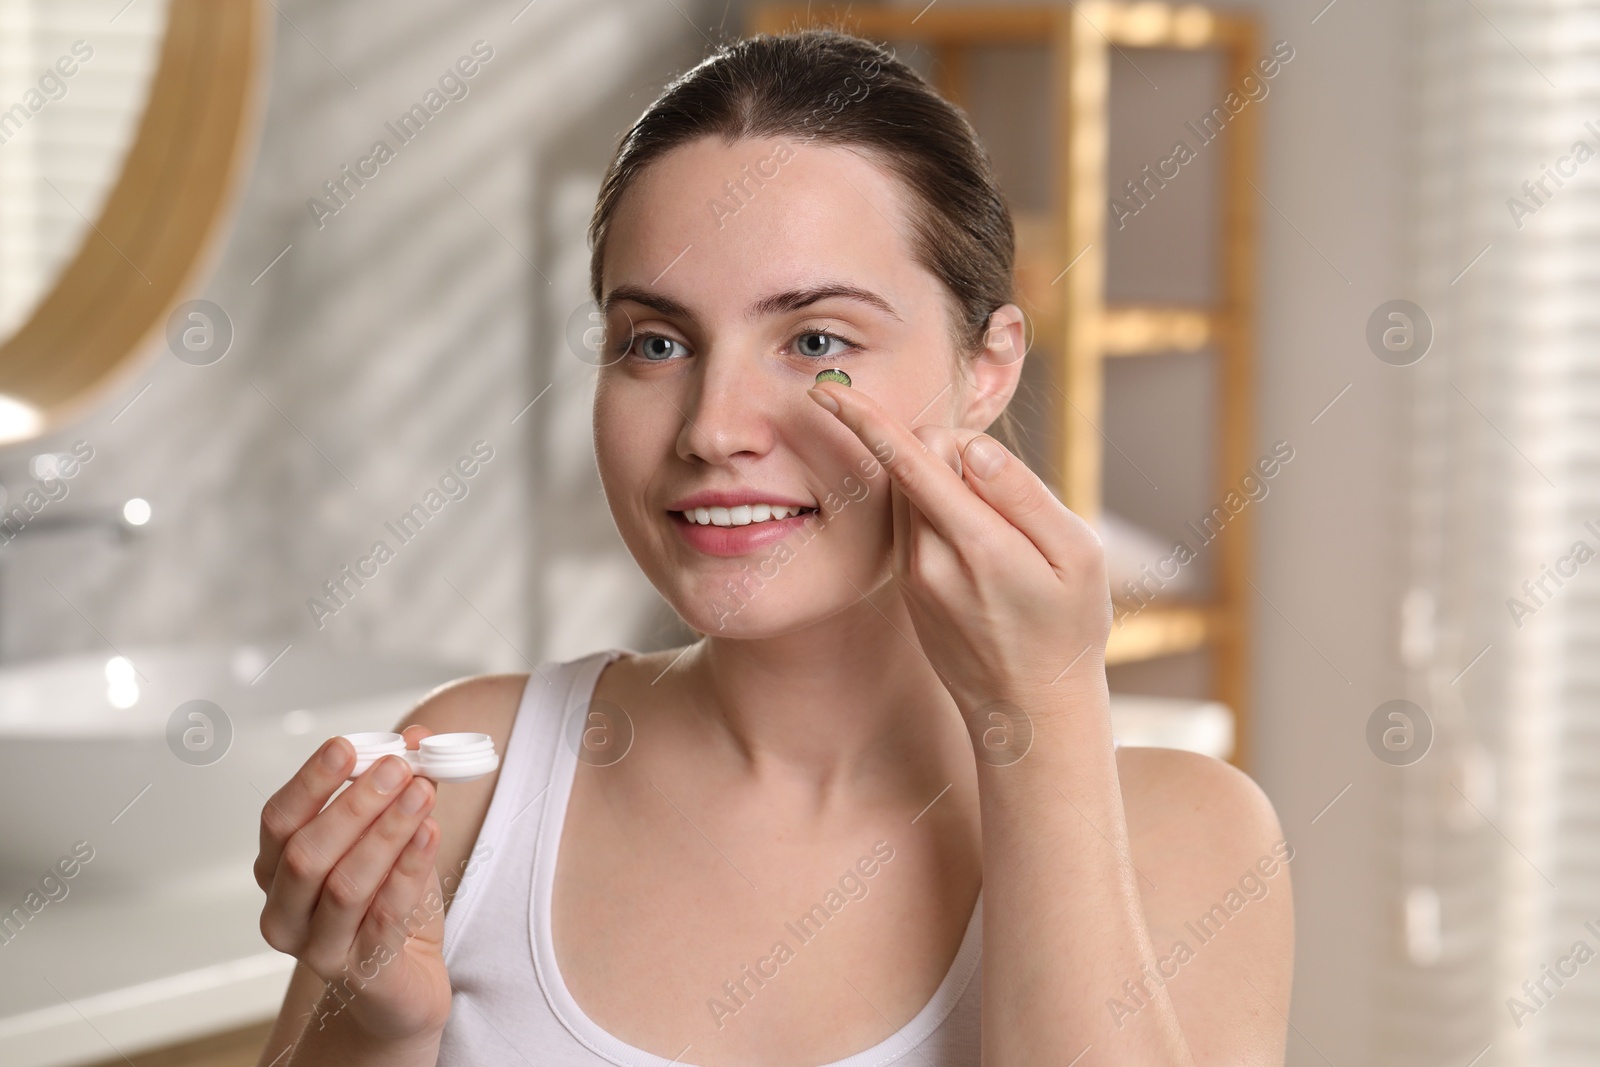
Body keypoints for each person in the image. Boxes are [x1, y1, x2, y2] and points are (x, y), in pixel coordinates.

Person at [252, 27, 1294, 1067]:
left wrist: (1044, 714)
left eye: (816, 340)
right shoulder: (471, 787)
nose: (713, 426)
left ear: (987, 366)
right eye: (656, 343)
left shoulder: (1187, 840)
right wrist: (376, 1023)